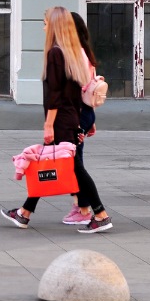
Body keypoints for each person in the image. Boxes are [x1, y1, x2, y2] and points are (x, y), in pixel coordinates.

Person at [1, 6, 113, 233]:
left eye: (45, 23)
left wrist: (49, 124)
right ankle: (25, 213)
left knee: (72, 168)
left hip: (61, 119)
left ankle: (101, 214)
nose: (43, 27)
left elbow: (55, 94)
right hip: (71, 117)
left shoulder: (55, 53)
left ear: (54, 26)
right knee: (49, 165)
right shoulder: (72, 53)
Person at [62, 12, 98, 225]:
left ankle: (84, 209)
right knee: (74, 161)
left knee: (74, 163)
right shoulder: (85, 53)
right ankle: (82, 207)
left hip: (77, 113)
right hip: (84, 112)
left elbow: (76, 90)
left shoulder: (76, 55)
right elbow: (90, 88)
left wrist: (76, 122)